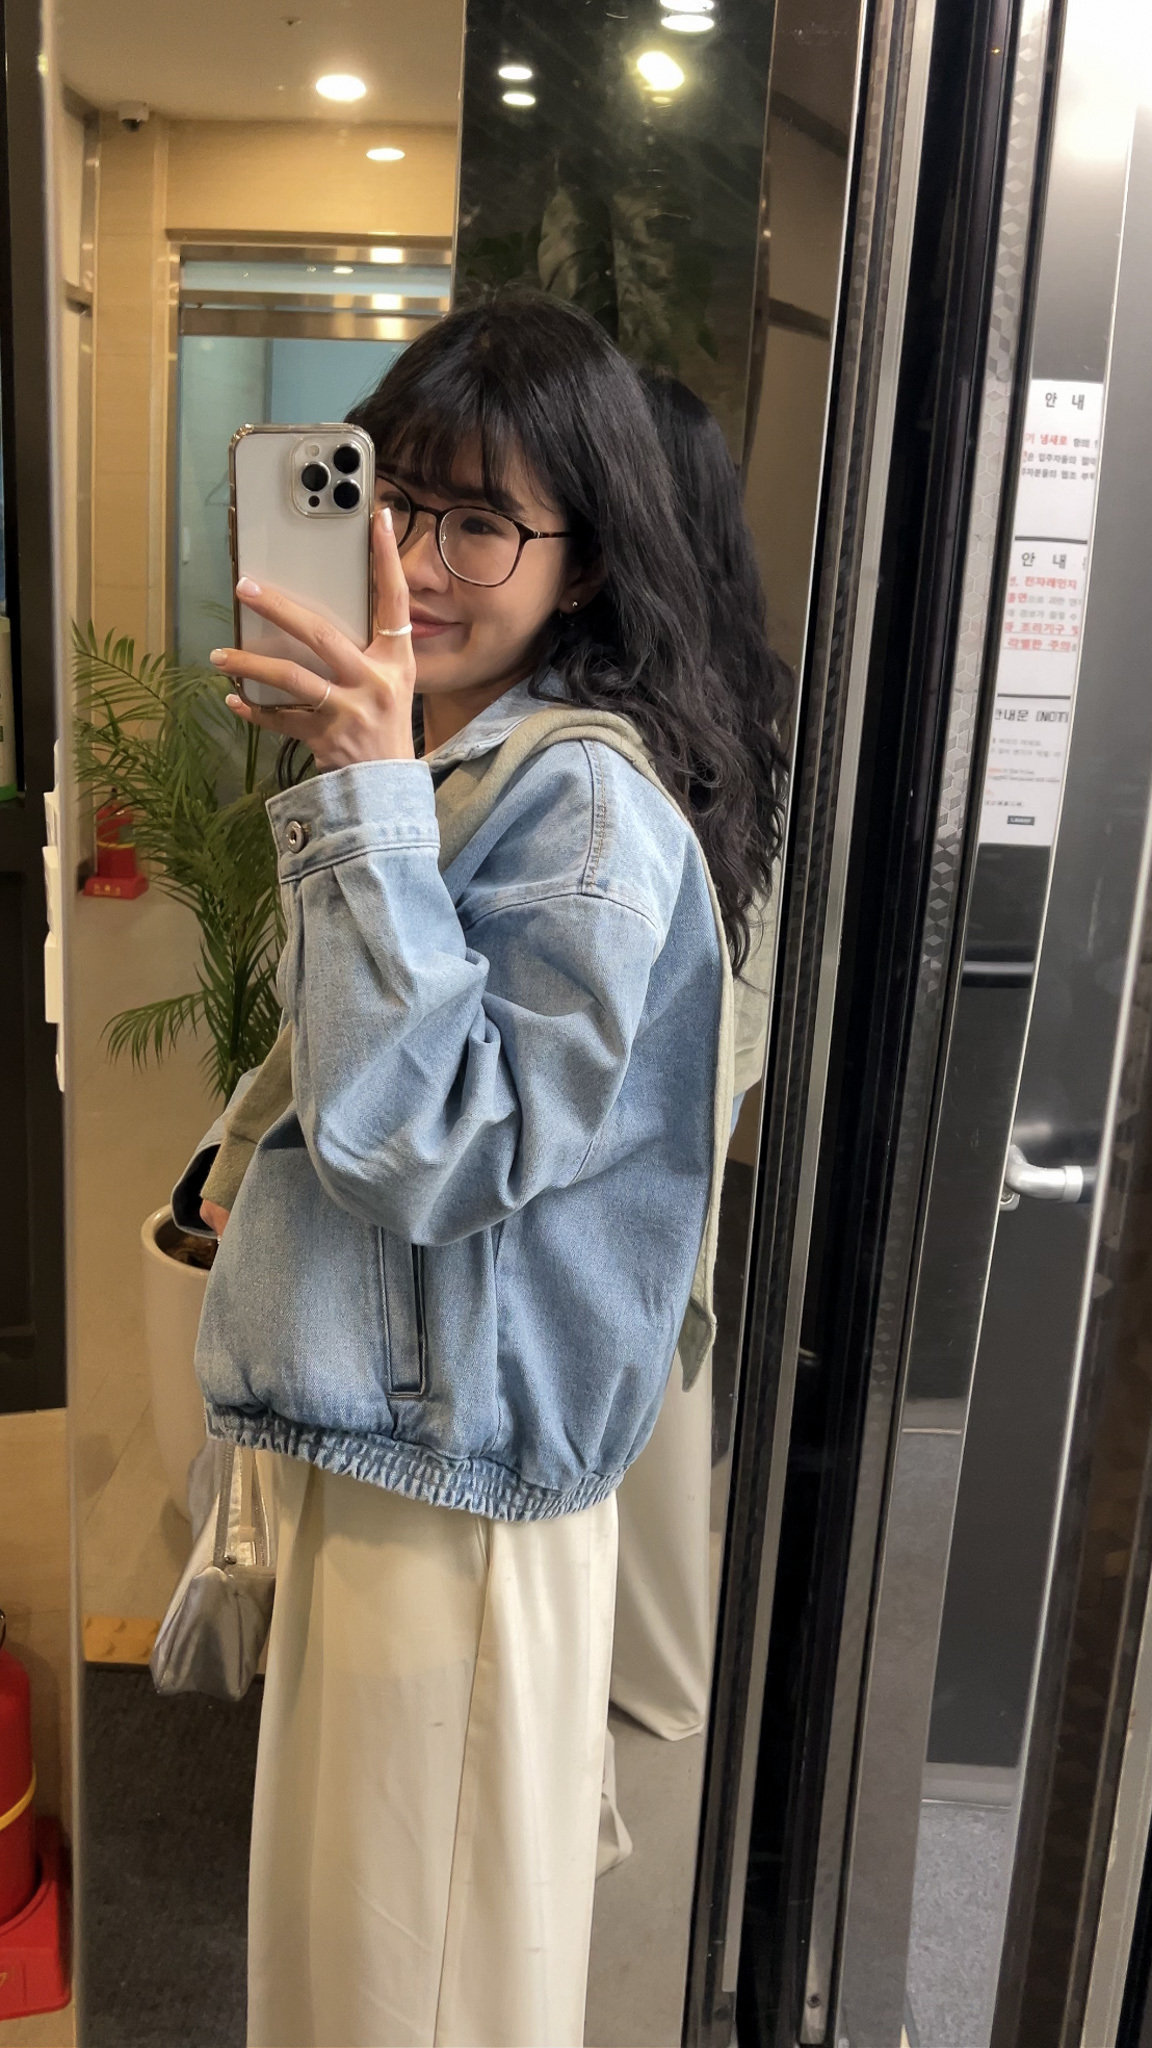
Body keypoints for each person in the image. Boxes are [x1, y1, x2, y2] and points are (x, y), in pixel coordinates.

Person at [173, 294, 780, 2048]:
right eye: (392, 498)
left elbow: (442, 1150)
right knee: (359, 1964)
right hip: (416, 1454)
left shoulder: (577, 805)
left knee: (407, 1988)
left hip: (460, 1492)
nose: (420, 561)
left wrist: (366, 801)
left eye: (482, 522)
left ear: (582, 567)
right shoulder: (464, 761)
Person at [600, 375, 791, 1866]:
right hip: (711, 1059)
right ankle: (660, 1666)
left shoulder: (627, 701)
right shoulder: (749, 685)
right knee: (668, 1329)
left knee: (635, 1336)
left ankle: (640, 1665)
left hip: (642, 1067)